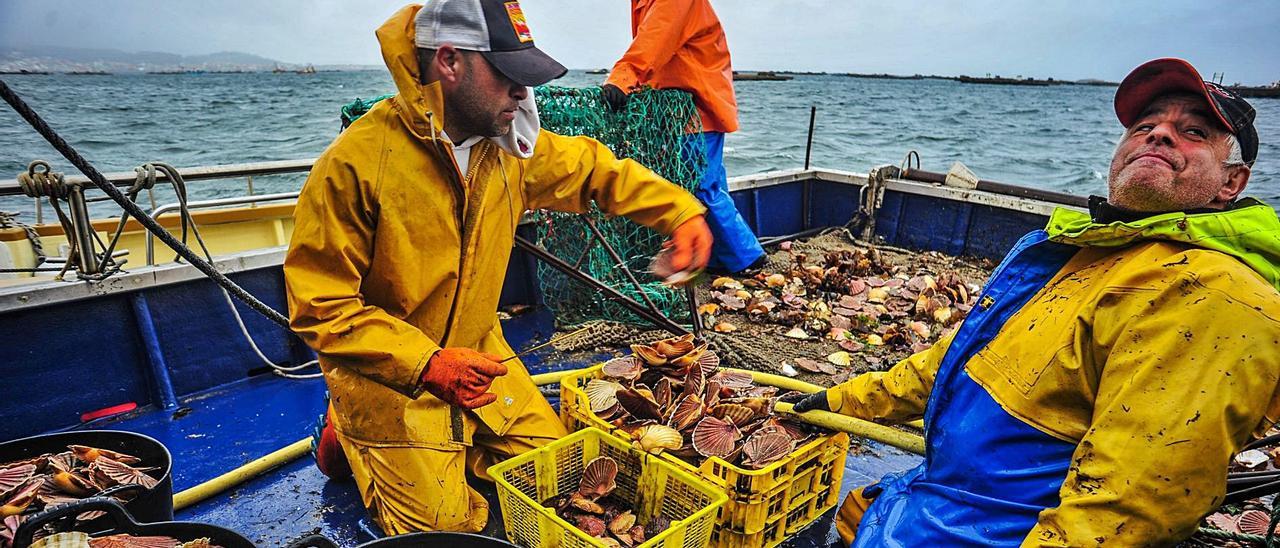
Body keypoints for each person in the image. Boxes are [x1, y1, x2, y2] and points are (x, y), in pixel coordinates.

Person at [793, 58, 1280, 546]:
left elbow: (1123, 511)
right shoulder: (1093, 253)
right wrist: (841, 399)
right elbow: (963, 360)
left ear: (1231, 183)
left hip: (996, 533)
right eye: (1144, 126)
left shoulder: (1214, 295)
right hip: (940, 501)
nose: (1157, 136)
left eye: (1193, 131)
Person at [284, 0, 713, 535]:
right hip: (392, 383)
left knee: (564, 470)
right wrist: (429, 365)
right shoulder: (354, 167)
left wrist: (680, 212)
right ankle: (349, 432)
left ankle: (439, 446)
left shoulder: (508, 148)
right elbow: (318, 307)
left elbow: (594, 170)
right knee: (448, 530)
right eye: (509, 75)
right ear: (448, 61)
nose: (522, 93)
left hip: (481, 352)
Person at [600, 0, 766, 274]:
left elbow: (655, 39)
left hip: (697, 108)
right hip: (680, 110)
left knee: (701, 185)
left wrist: (623, 78)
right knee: (706, 183)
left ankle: (748, 259)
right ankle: (713, 256)